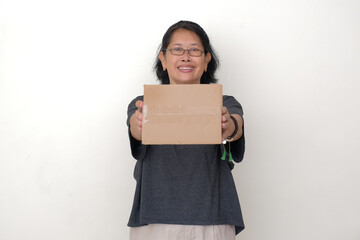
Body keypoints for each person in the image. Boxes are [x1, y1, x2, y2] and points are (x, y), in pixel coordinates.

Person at [126, 20, 245, 240]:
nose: (186, 57)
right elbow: (136, 128)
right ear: (163, 59)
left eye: (194, 50)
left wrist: (228, 126)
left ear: (207, 59)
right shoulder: (143, 103)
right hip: (155, 220)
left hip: (213, 219)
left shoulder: (225, 103)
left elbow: (235, 125)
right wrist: (139, 124)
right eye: (177, 49)